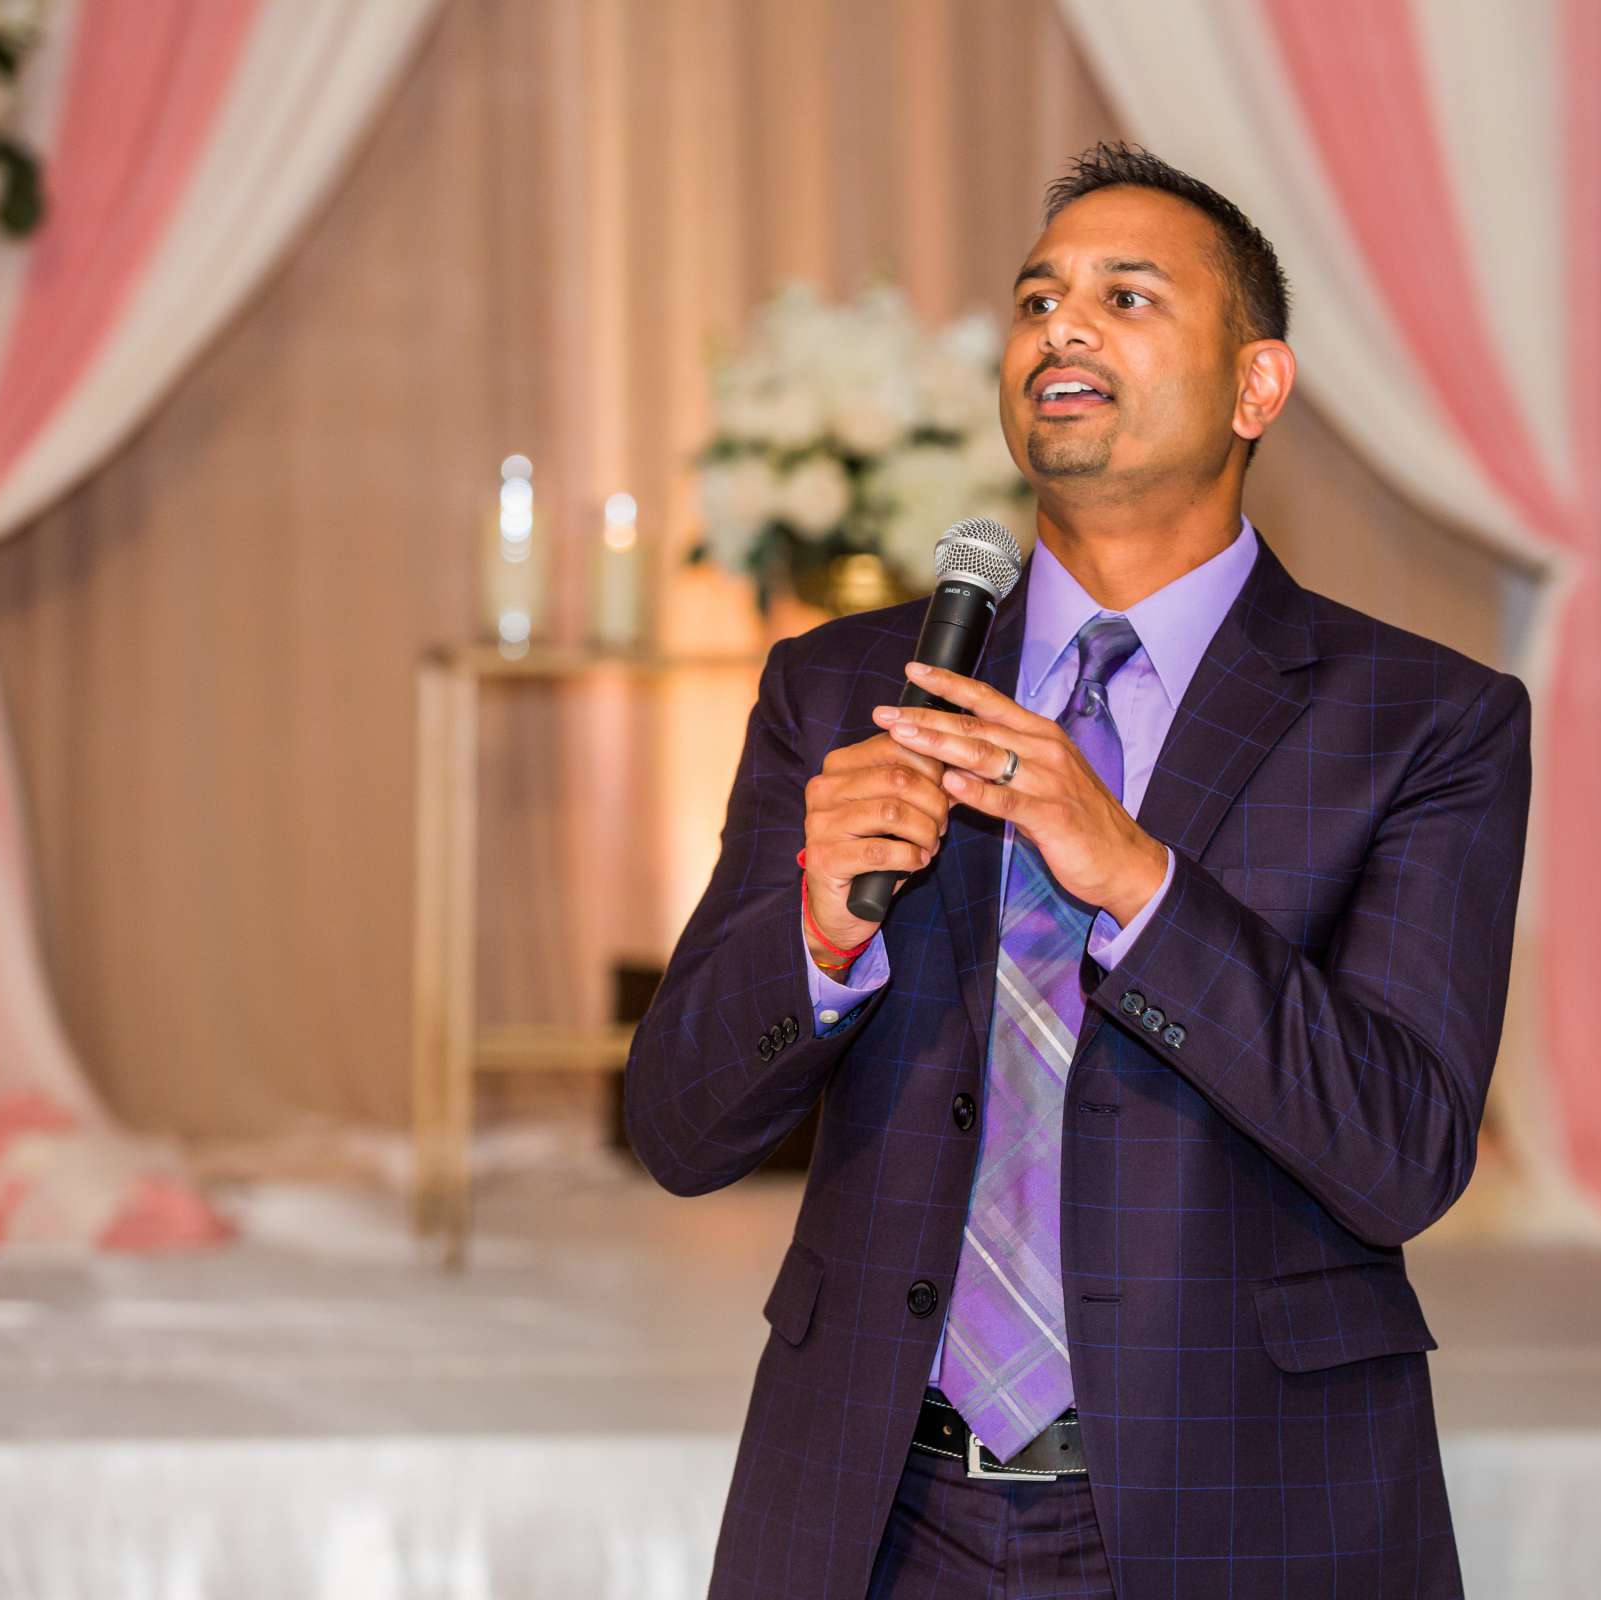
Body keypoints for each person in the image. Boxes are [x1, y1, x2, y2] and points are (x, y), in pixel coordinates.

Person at [625, 140, 1531, 1600]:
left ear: (1257, 388)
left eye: (1128, 296)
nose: (1063, 327)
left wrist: (1139, 883)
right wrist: (814, 934)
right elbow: (677, 1129)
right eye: (1039, 299)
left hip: (1243, 1509)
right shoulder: (853, 686)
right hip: (875, 1507)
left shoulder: (1422, 721)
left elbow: (1403, 1150)